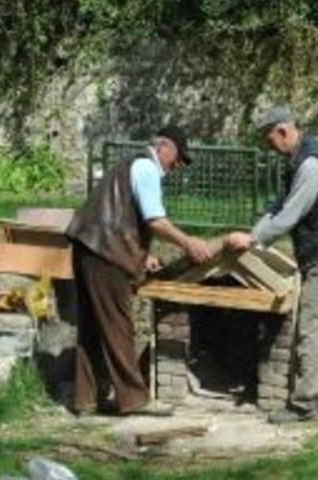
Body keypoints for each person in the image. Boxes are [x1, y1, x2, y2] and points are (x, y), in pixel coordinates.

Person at [65, 125, 212, 416]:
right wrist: (187, 242)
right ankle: (134, 400)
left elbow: (121, 216)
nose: (178, 165)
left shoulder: (131, 166)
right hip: (104, 252)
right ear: (164, 148)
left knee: (92, 327)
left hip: (88, 246)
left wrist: (142, 256)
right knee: (119, 325)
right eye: (178, 157)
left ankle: (85, 400)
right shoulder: (146, 168)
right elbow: (155, 219)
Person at [224, 106, 318, 424]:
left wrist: (252, 240)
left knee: (310, 329)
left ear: (283, 131)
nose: (268, 146)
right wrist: (254, 231)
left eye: (269, 139)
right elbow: (281, 205)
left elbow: (290, 214)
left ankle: (304, 404)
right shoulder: (298, 159)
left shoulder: (310, 164)